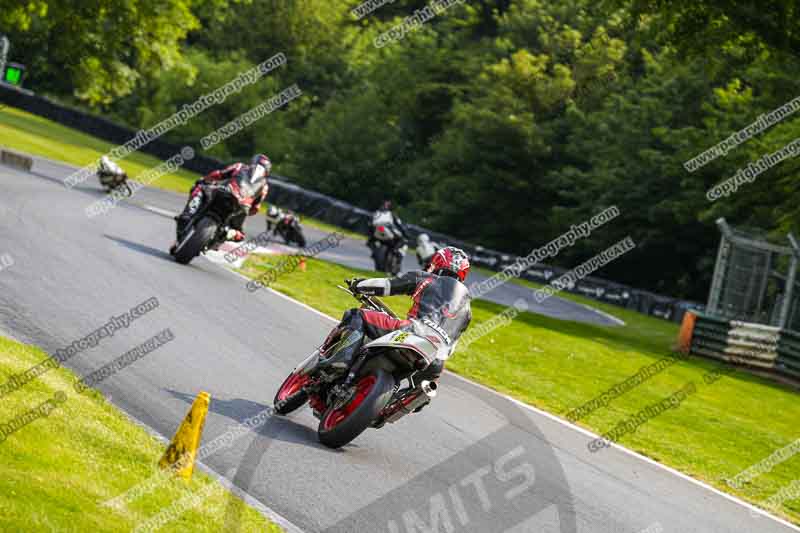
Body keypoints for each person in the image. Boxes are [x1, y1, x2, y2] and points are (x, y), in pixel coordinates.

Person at [319, 247, 472, 408]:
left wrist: (359, 285)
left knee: (357, 315)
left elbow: (386, 285)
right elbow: (452, 344)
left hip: (413, 331)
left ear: (438, 262)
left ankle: (341, 361)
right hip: (436, 359)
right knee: (423, 390)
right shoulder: (466, 310)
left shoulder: (426, 278)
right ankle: (402, 403)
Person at [174, 154, 271, 243]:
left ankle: (188, 214)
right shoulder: (265, 186)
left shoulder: (240, 166)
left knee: (200, 188)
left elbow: (218, 174)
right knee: (240, 235)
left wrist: (204, 180)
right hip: (241, 208)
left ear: (253, 161)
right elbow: (255, 208)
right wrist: (246, 209)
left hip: (224, 192)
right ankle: (226, 234)